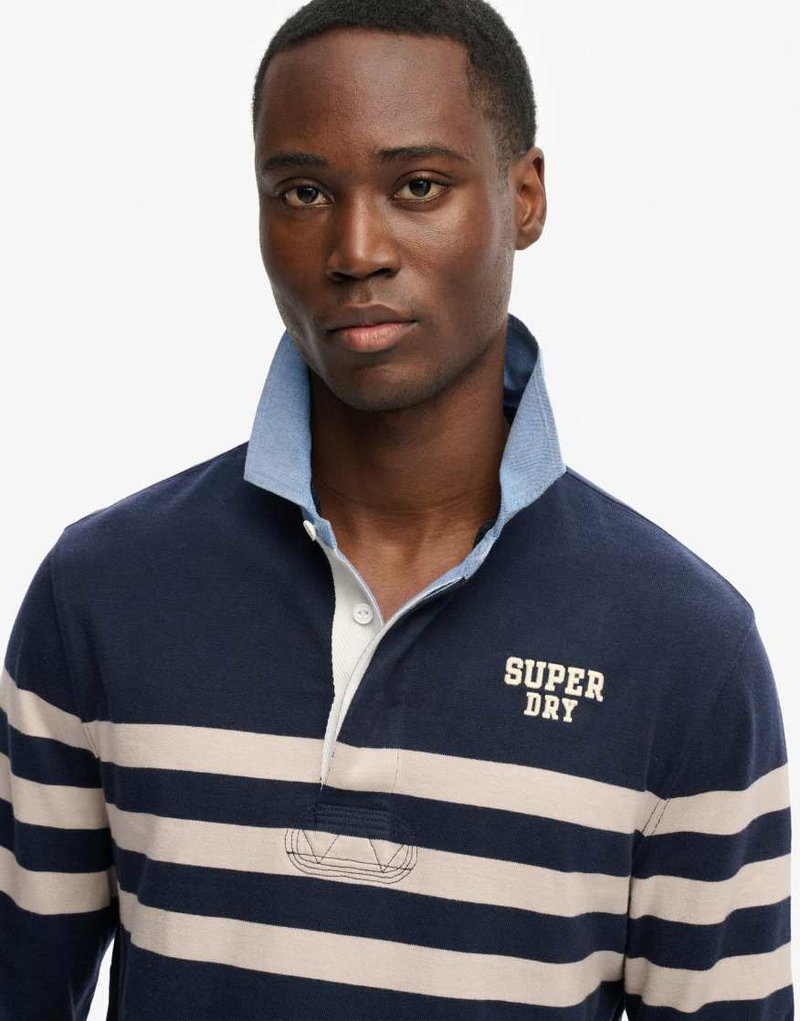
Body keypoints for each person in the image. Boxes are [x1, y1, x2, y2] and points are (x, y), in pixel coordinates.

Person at [0, 0, 793, 1017]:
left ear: (525, 196)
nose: (356, 248)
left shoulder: (686, 649)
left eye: (418, 185)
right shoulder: (100, 594)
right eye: (302, 192)